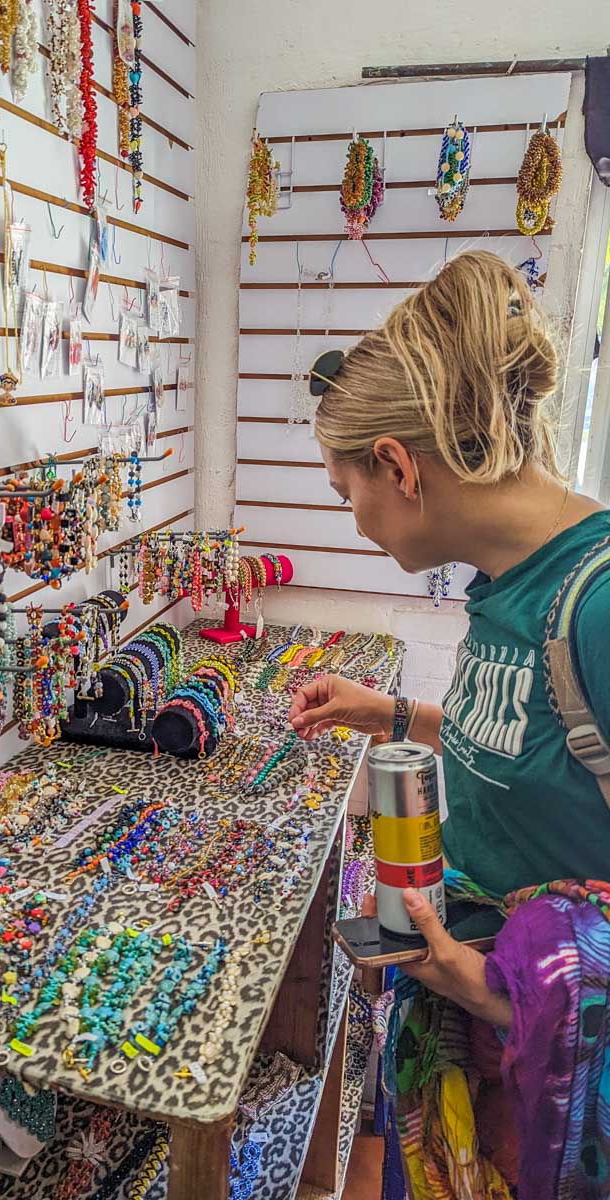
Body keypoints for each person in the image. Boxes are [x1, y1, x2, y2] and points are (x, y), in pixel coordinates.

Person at [287, 251, 610, 1198]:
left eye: (351, 495)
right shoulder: (503, 582)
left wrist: (504, 996)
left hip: (554, 1098)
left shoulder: (595, 605)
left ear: (397, 465)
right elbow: (526, 739)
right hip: (477, 1064)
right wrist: (386, 712)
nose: (355, 524)